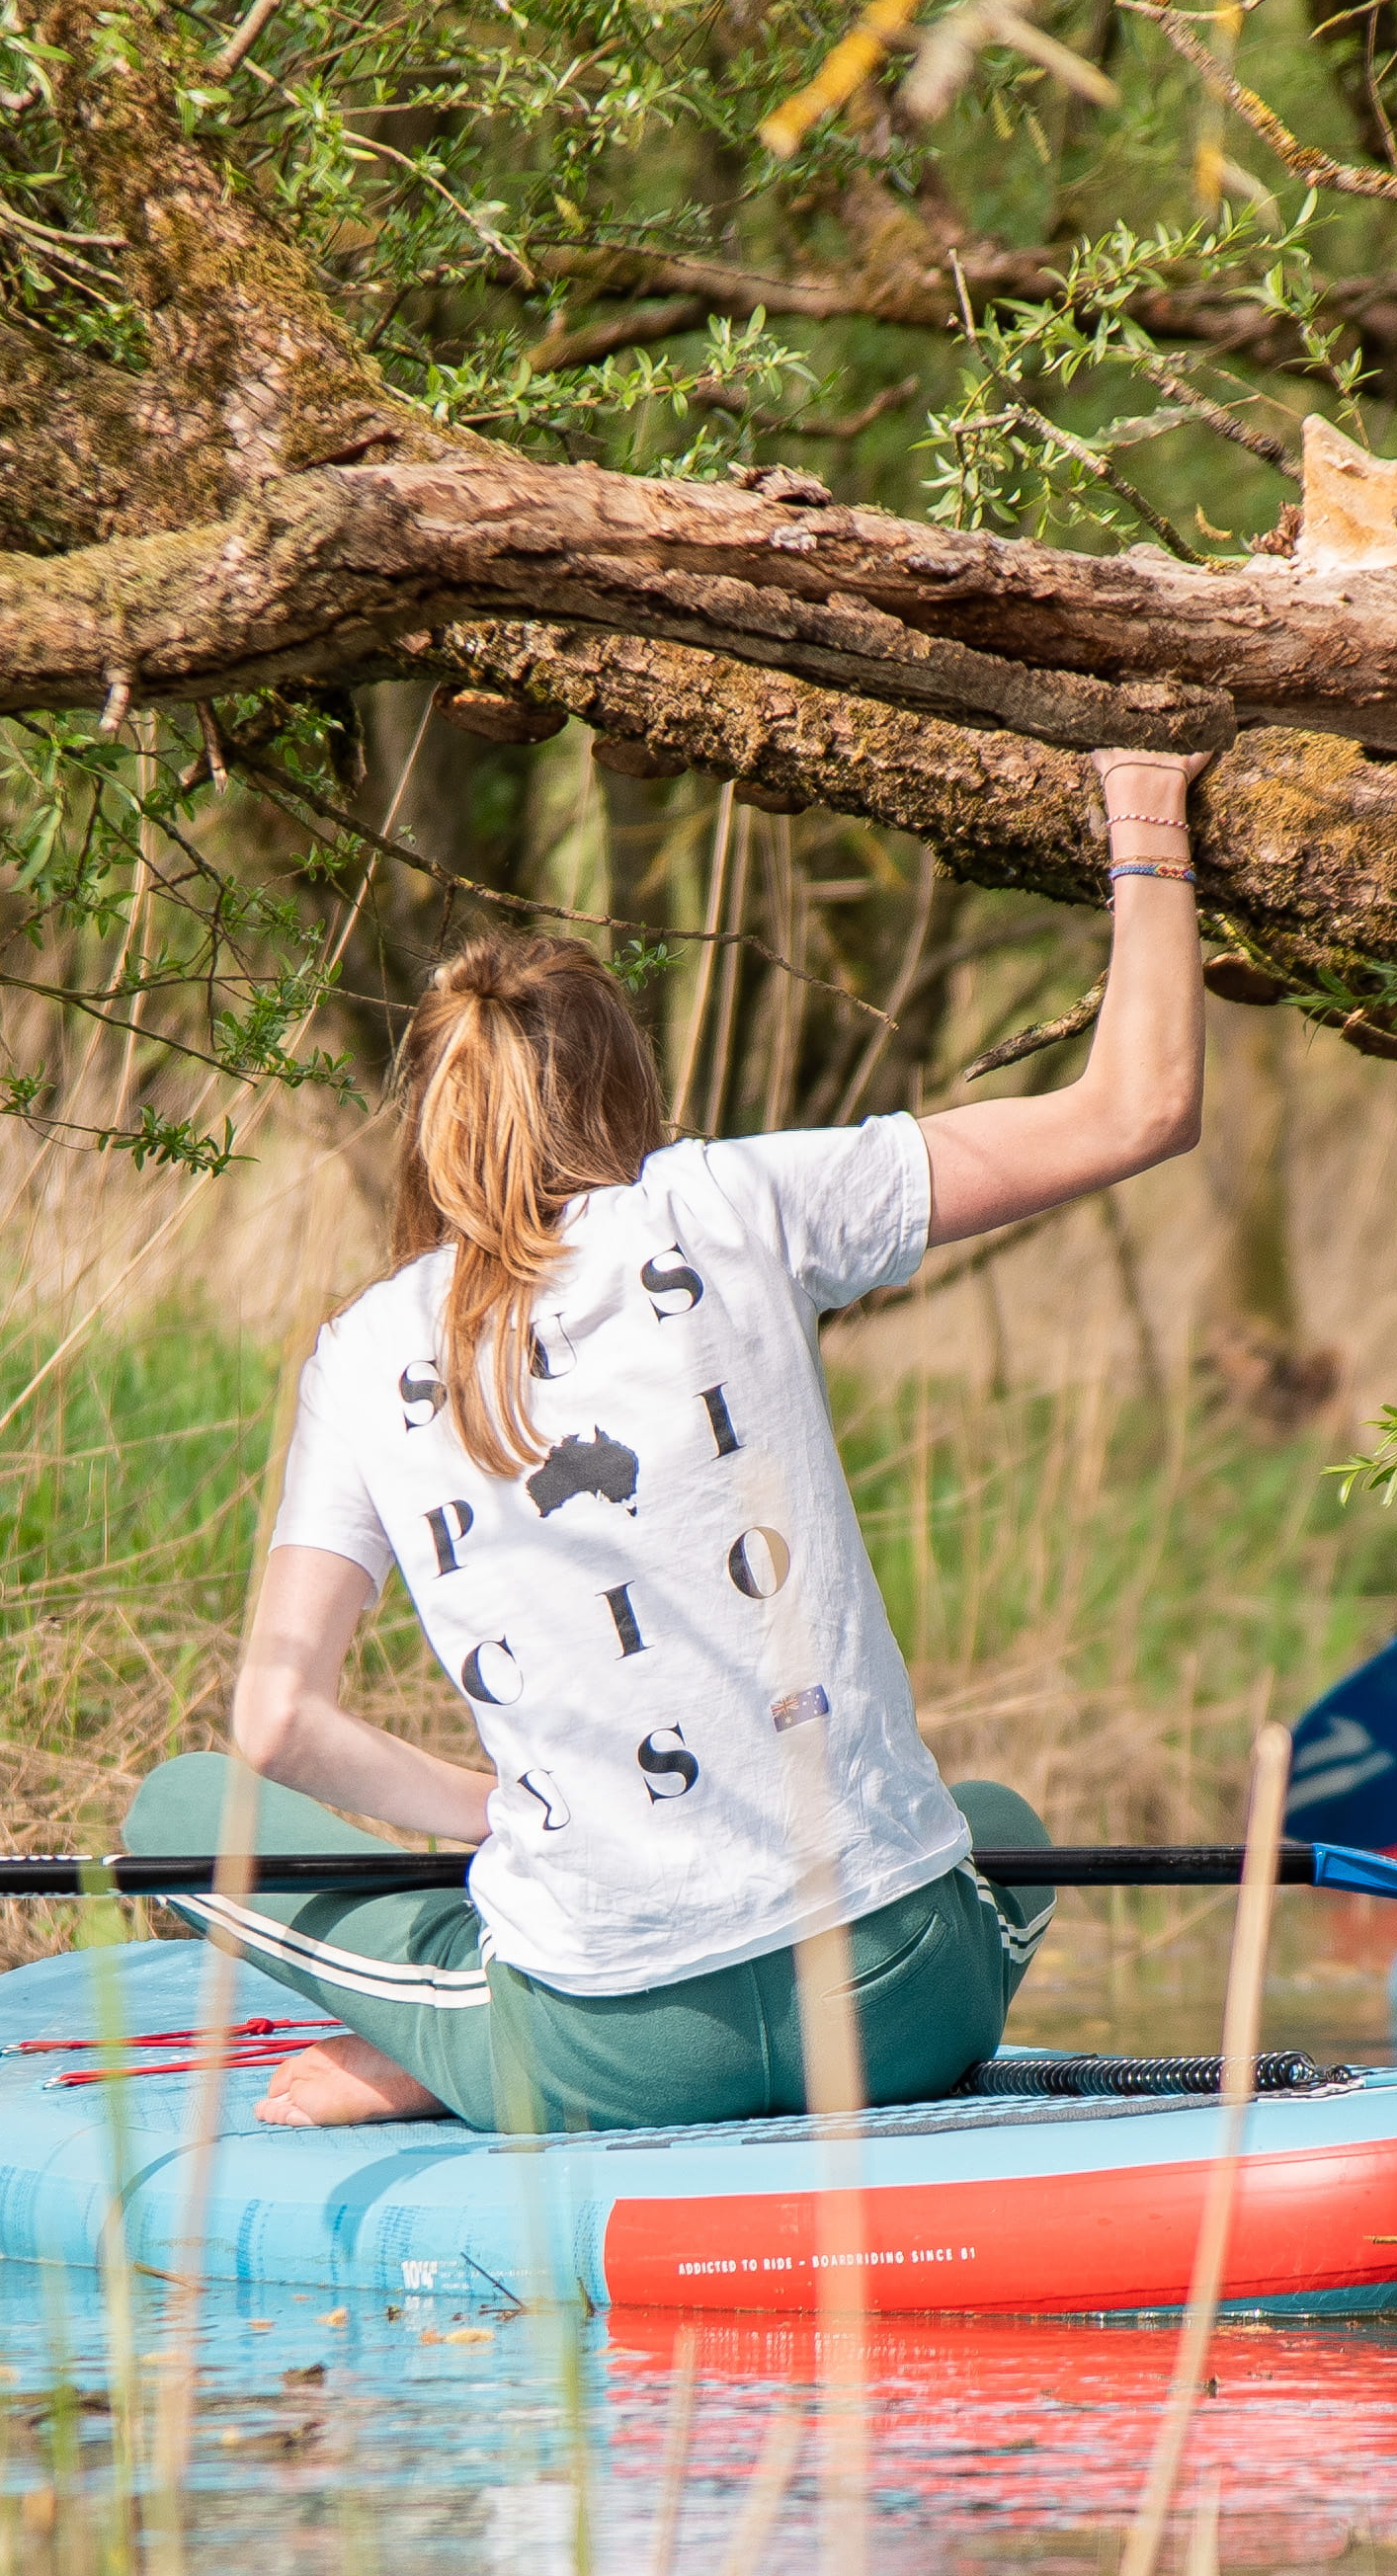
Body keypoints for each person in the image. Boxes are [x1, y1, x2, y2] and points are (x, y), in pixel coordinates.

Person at [143, 747, 1213, 2133]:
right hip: (894, 2002)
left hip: (618, 2053)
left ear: (433, 1124)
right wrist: (1146, 813)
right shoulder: (733, 1203)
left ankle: (447, 2046)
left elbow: (274, 1725)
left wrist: (494, 1813)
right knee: (999, 1820)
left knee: (180, 1808)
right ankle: (458, 2034)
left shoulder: (360, 1357)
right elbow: (1140, 1110)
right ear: (626, 1090)